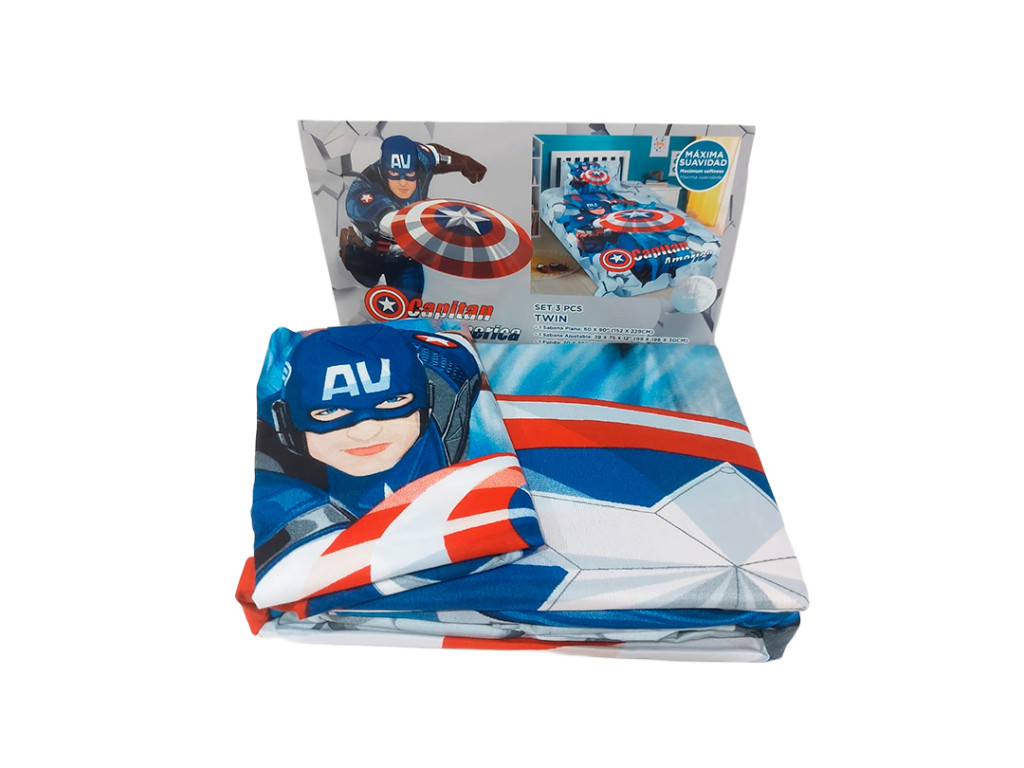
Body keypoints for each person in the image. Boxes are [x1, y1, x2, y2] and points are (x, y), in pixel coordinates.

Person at [251, 324, 481, 584]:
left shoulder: (448, 378)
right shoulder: (272, 456)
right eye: (330, 411)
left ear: (427, 400)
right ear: (285, 423)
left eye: (391, 401)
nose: (366, 432)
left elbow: (456, 346)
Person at [341, 135, 487, 301]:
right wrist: (446, 220)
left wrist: (463, 162)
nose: (403, 182)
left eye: (409, 174)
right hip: (370, 250)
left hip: (405, 254)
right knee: (367, 279)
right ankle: (350, 245)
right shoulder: (362, 190)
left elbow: (436, 154)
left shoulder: (421, 159)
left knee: (410, 304)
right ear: (383, 171)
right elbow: (393, 223)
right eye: (394, 174)